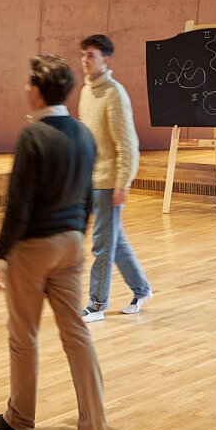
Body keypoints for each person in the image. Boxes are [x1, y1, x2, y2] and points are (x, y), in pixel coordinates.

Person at [0, 54, 107, 430]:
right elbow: (89, 198)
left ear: (36, 89)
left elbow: (20, 203)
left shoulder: (32, 137)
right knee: (76, 336)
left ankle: (20, 416)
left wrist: (0, 255)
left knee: (24, 336)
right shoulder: (85, 135)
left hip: (33, 247)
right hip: (71, 244)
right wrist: (76, 236)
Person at [73, 33, 150, 321]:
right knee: (115, 241)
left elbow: (127, 143)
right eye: (83, 55)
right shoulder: (85, 91)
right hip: (91, 179)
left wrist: (123, 183)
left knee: (102, 244)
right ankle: (141, 289)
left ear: (106, 59)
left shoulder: (115, 93)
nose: (85, 60)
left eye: (91, 56)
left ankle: (96, 304)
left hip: (109, 182)